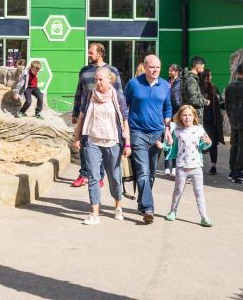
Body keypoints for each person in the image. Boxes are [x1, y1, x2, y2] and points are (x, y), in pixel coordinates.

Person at [73, 65, 130, 225]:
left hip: (112, 141)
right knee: (93, 176)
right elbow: (82, 117)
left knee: (114, 178)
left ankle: (118, 206)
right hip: (92, 141)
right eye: (96, 79)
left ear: (109, 80)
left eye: (100, 79)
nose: (97, 82)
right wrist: (77, 138)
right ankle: (94, 214)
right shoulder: (89, 95)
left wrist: (128, 144)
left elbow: (125, 120)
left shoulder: (118, 97)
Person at [123, 54, 173, 224]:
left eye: (158, 67)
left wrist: (167, 128)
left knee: (151, 173)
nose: (155, 70)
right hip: (138, 133)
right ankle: (148, 209)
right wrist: (125, 132)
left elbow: (167, 108)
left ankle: (142, 202)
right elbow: (124, 107)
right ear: (144, 67)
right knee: (143, 171)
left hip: (157, 135)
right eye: (152, 67)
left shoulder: (165, 85)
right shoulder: (133, 84)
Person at [70, 43, 123, 188]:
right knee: (84, 145)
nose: (88, 54)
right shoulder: (84, 71)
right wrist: (75, 112)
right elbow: (79, 92)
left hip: (105, 117)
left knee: (99, 145)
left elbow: (119, 94)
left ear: (100, 53)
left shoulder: (112, 71)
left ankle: (99, 176)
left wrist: (121, 118)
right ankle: (83, 174)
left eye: (91, 52)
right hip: (85, 115)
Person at [164, 104, 213, 227]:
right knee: (178, 191)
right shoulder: (177, 131)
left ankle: (204, 217)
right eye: (184, 115)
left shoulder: (199, 129)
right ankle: (173, 211)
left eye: (190, 115)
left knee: (199, 193)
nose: (187, 117)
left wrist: (208, 143)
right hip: (181, 166)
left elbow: (203, 145)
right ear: (180, 116)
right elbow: (171, 145)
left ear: (194, 116)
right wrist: (163, 146)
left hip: (196, 167)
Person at [198, 69, 225, 175]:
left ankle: (199, 165)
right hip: (212, 120)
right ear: (207, 77)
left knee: (199, 143)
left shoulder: (199, 89)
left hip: (202, 120)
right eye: (210, 75)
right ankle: (213, 166)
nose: (211, 77)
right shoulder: (214, 88)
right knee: (213, 144)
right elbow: (220, 102)